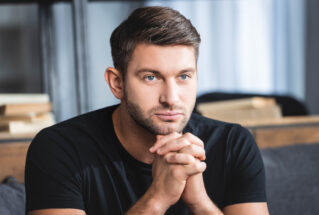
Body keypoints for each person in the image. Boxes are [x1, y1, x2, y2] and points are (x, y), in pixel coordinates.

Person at [25, 6, 269, 215]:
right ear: (117, 83)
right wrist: (157, 199)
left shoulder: (233, 143)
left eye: (184, 76)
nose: (171, 98)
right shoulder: (59, 149)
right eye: (151, 77)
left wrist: (200, 203)